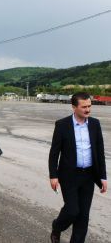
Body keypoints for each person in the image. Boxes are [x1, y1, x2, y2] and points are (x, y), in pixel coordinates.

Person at [49, 92, 107, 243]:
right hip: (69, 176)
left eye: (89, 106)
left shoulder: (95, 124)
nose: (88, 110)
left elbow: (100, 152)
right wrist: (53, 175)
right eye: (84, 107)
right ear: (74, 107)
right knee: (72, 210)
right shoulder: (62, 125)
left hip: (88, 176)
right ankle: (57, 226)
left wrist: (103, 177)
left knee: (83, 216)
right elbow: (54, 153)